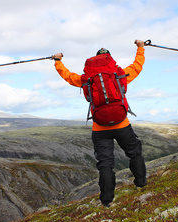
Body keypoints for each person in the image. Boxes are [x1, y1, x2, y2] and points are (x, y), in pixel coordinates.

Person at [53, 40, 147, 207]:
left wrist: (58, 61)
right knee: (134, 153)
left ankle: (107, 200)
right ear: (109, 59)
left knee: (105, 164)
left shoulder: (87, 78)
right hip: (122, 123)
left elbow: (68, 76)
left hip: (100, 127)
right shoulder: (119, 75)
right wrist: (140, 48)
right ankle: (140, 183)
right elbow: (137, 67)